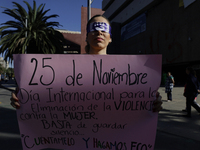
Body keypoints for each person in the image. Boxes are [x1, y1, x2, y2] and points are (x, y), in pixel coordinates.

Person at [10, 14, 162, 112]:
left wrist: (152, 104)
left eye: (104, 29)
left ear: (110, 38)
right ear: (87, 37)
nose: (99, 32)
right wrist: (24, 97)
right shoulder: (67, 69)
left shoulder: (128, 72)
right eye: (94, 29)